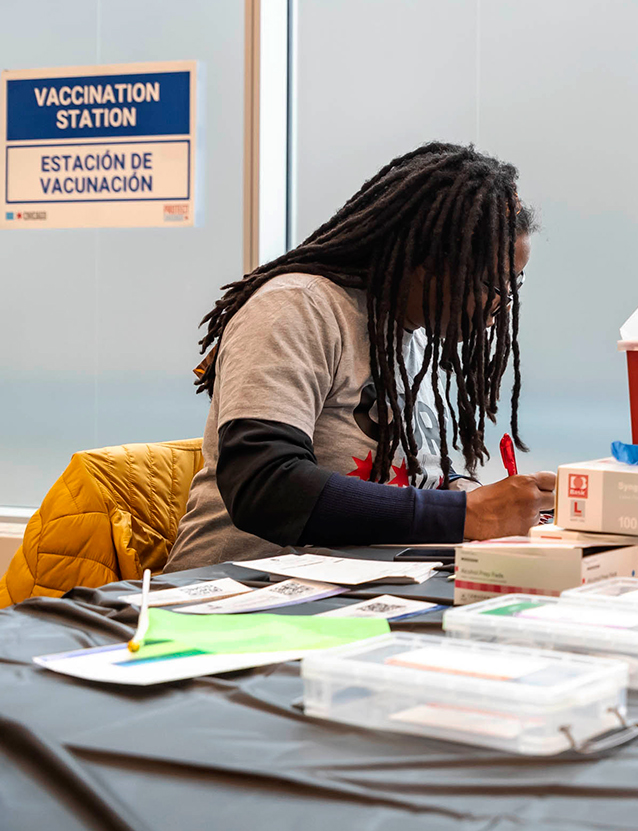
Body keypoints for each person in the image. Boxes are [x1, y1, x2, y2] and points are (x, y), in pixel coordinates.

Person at [166, 143, 552, 571]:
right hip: (236, 596)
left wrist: (467, 492)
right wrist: (467, 515)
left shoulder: (408, 342)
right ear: (431, 259)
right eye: (494, 283)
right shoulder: (297, 309)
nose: (505, 305)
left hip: (353, 590)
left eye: (515, 284)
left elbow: (410, 484)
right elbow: (265, 487)